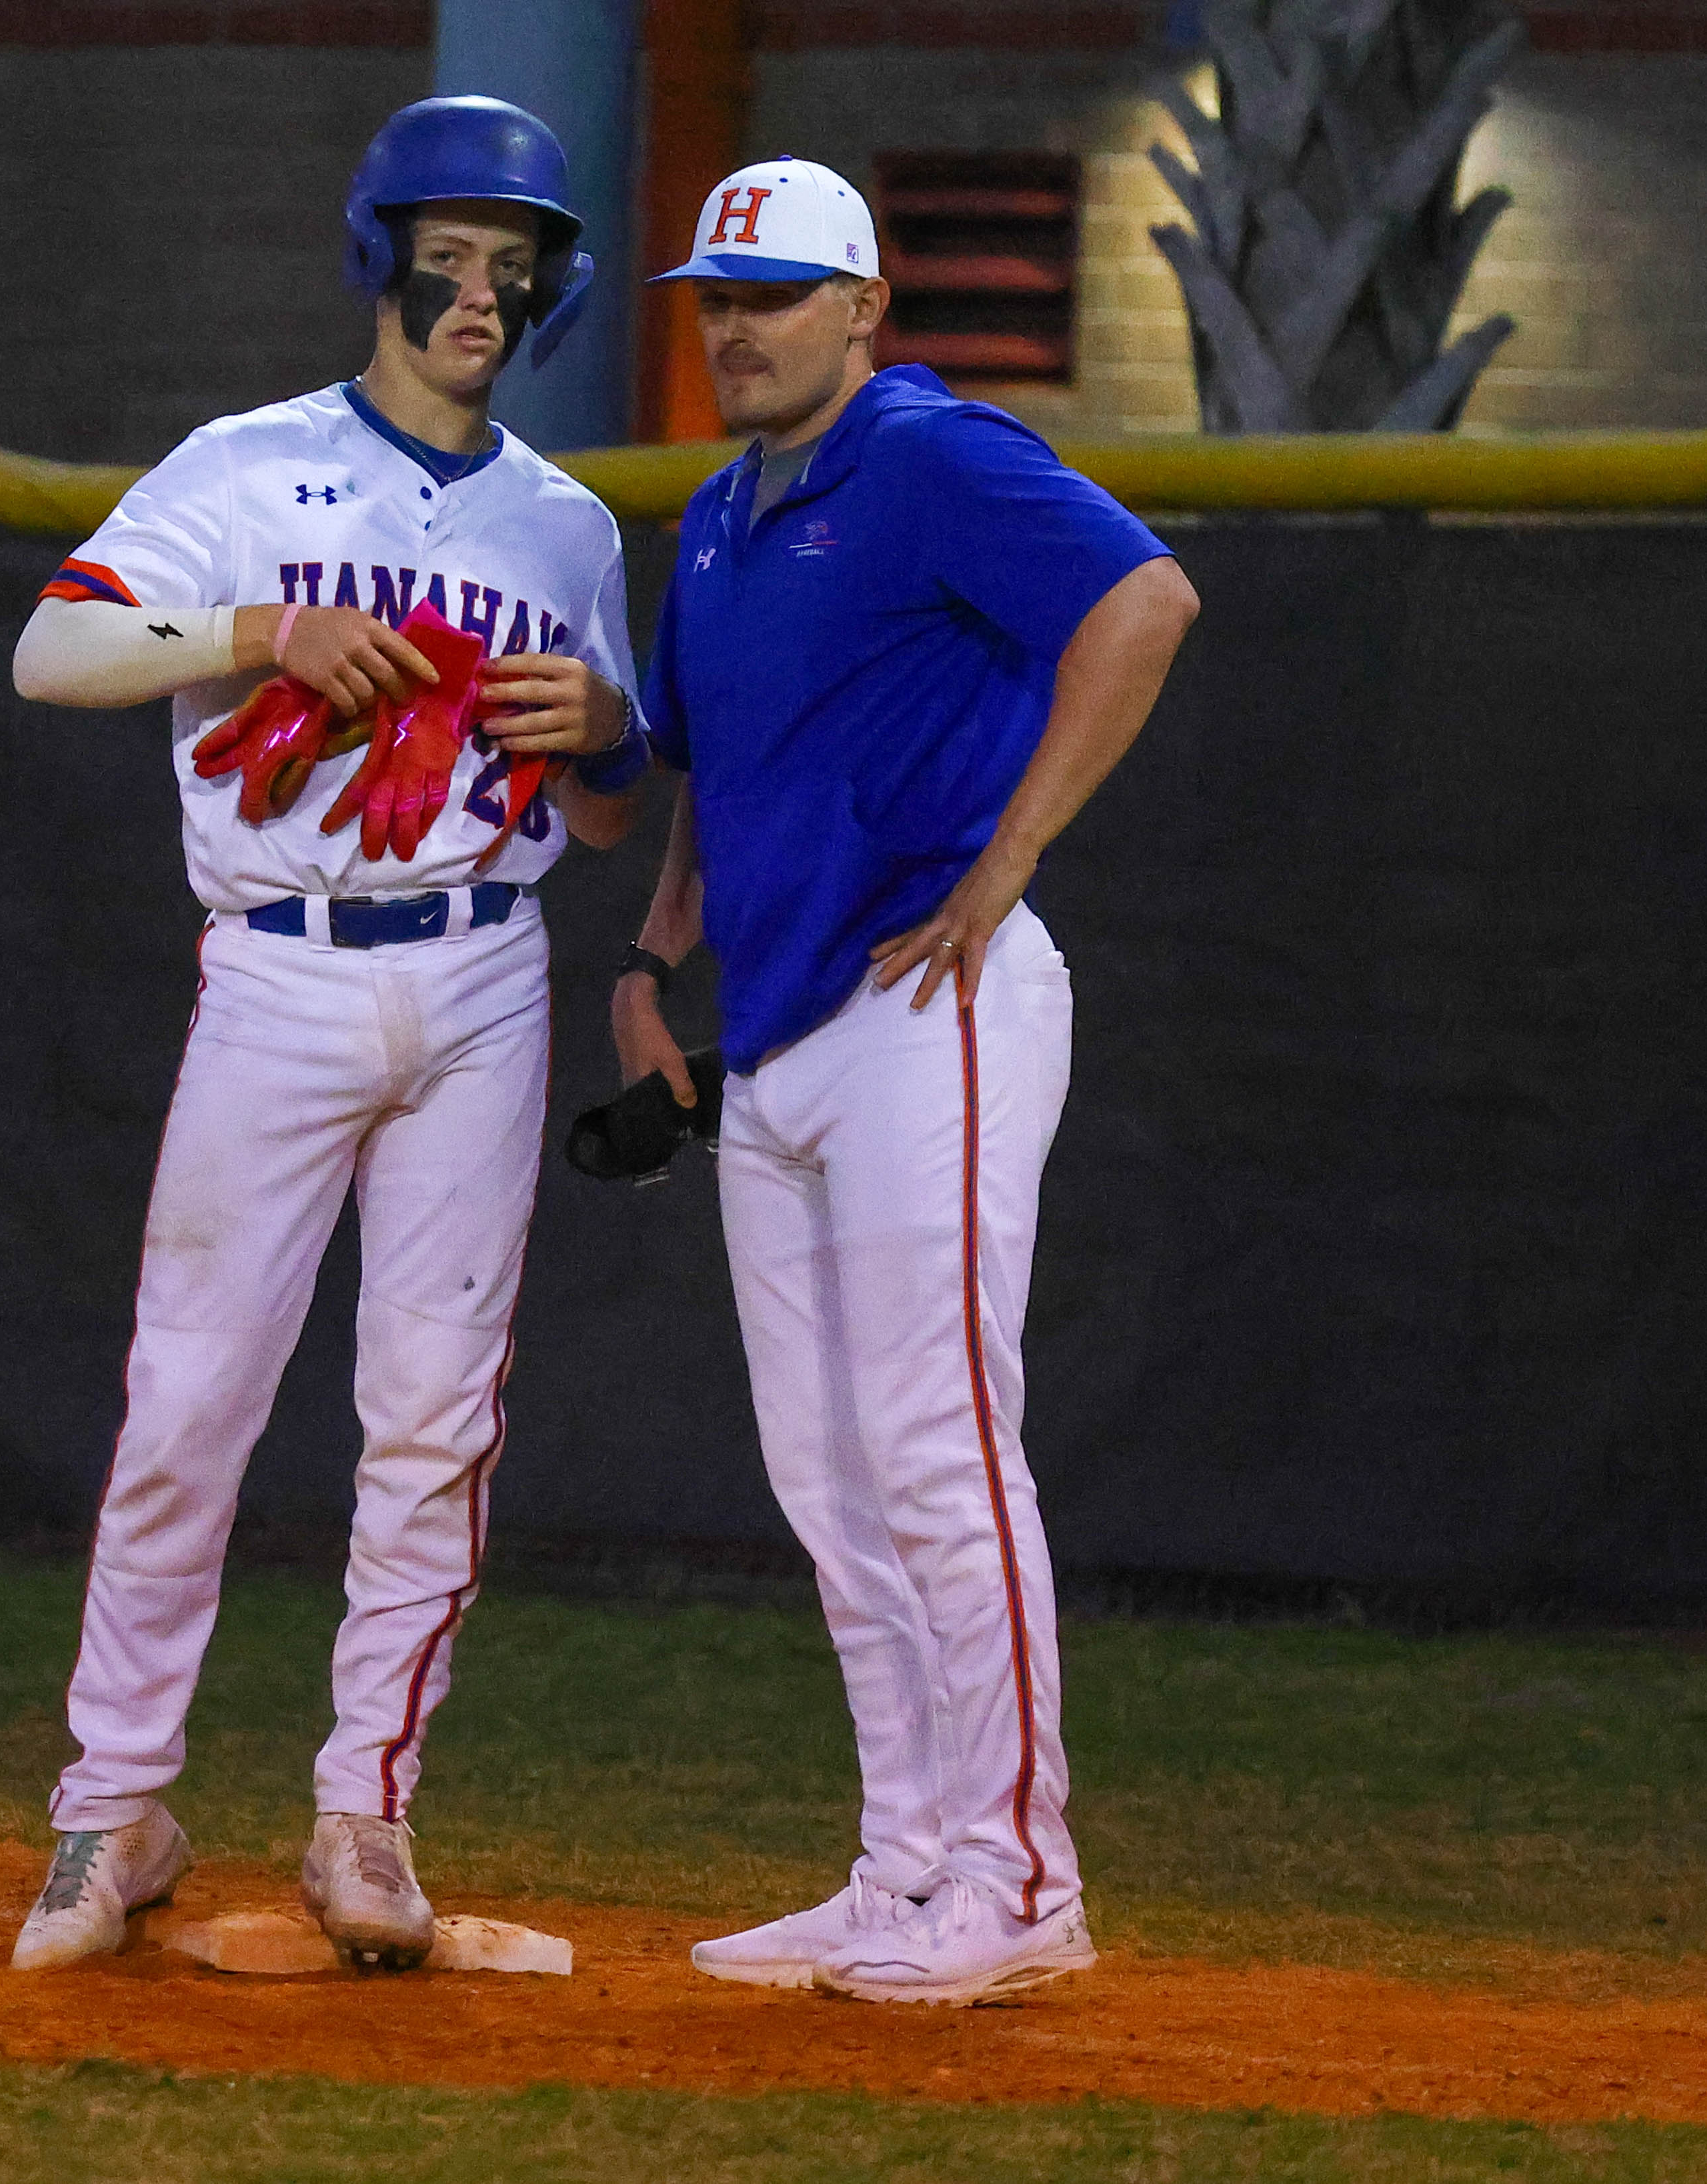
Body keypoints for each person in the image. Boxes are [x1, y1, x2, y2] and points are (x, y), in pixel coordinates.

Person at [5, 97, 648, 1975]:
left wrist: (598, 732)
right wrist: (252, 626)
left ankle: (366, 1814)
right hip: (279, 964)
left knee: (435, 1417)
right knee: (189, 1398)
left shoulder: (564, 518)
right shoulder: (249, 464)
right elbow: (51, 653)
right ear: (380, 256)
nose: (482, 285)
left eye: (512, 256)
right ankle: (111, 1806)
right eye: (449, 249)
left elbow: (605, 812)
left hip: (483, 966)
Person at [615, 157, 1198, 2004]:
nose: (736, 325)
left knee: (938, 1449)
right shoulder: (716, 516)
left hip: (926, 1004)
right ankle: (903, 1864)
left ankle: (1022, 1876)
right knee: (829, 1475)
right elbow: (722, 768)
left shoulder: (931, 453)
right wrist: (649, 956)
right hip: (778, 1036)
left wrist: (1010, 849)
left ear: (866, 306)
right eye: (716, 294)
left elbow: (1145, 600)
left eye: (775, 292)